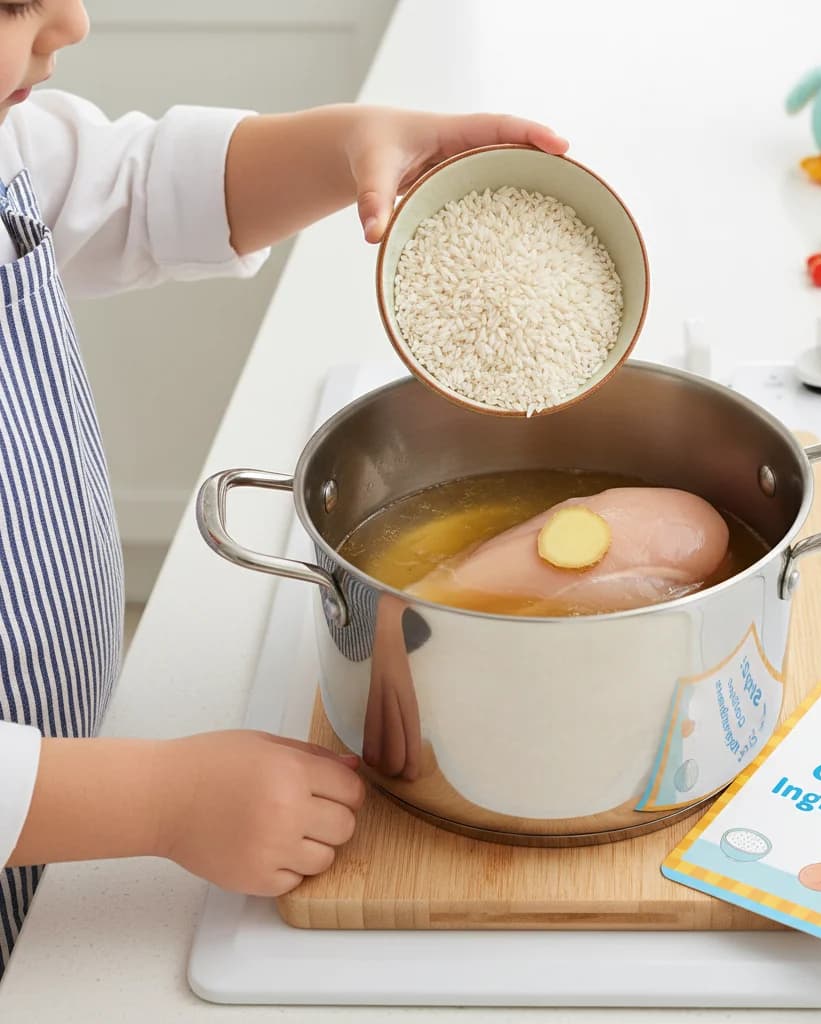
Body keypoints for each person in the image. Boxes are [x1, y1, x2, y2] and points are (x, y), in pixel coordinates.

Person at [0, 0, 569, 975]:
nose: (71, 24)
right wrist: (157, 799)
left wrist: (351, 142)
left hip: (67, 755)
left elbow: (133, 189)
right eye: (13, 6)